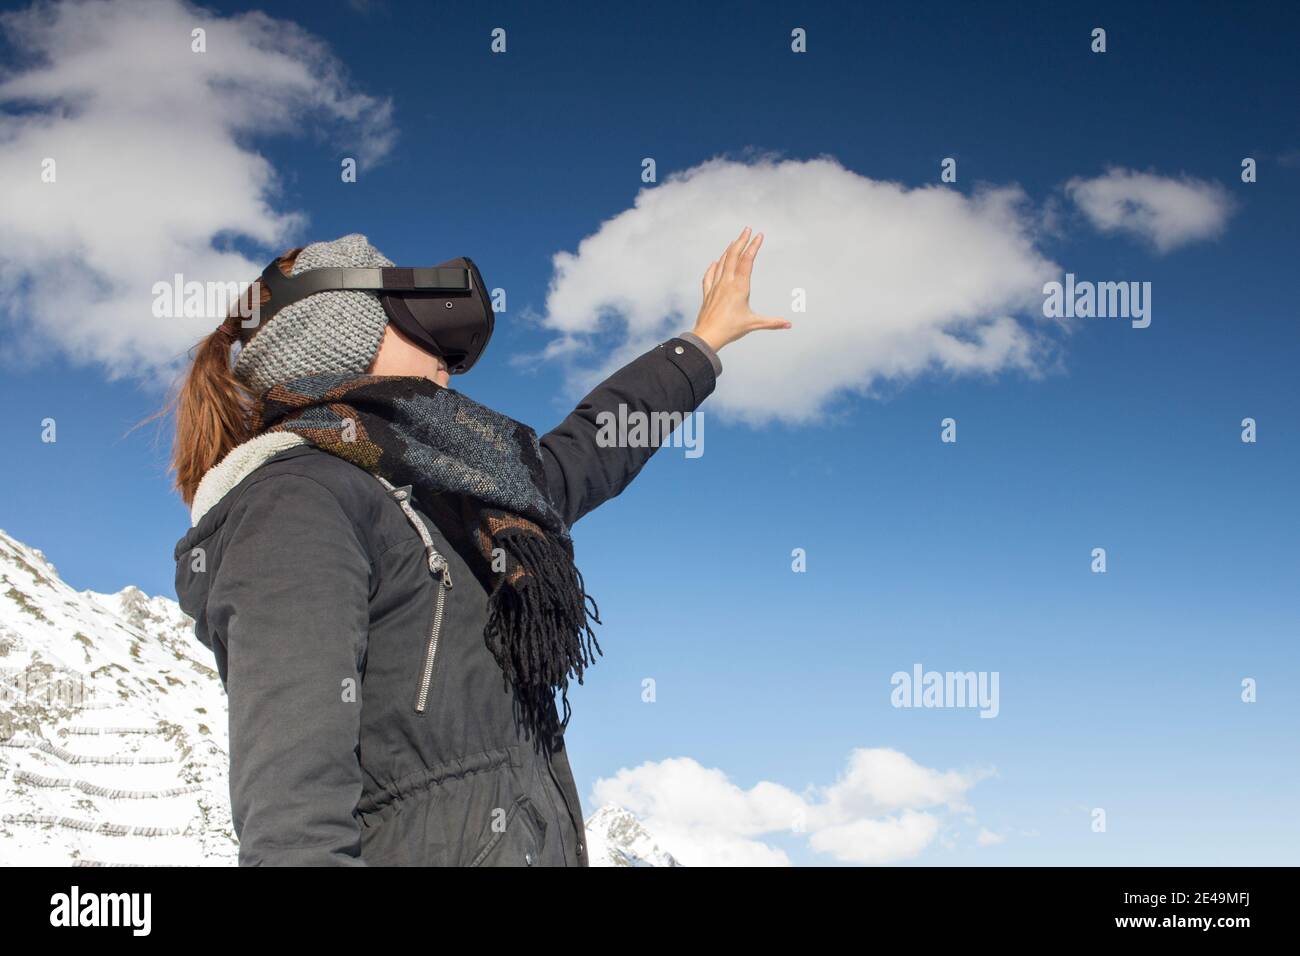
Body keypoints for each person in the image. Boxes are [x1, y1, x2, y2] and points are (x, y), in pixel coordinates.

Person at [169, 228, 787, 865]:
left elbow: (582, 452)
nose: (444, 359)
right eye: (415, 328)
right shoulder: (296, 502)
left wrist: (701, 344)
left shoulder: (455, 504)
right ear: (342, 332)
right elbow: (294, 820)